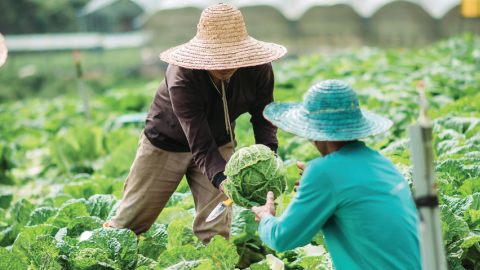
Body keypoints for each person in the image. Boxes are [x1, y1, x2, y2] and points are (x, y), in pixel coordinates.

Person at [105, 3, 287, 244]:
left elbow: (263, 116)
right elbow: (200, 143)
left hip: (220, 140)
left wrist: (268, 162)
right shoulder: (183, 75)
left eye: (231, 57)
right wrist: (223, 181)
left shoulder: (258, 68)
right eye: (216, 58)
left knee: (215, 231)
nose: (224, 66)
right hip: (165, 144)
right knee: (129, 223)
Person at [252, 80, 421, 270]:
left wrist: (266, 218)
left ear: (311, 134)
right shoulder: (385, 164)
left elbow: (282, 238)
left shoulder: (323, 172)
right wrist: (323, 185)